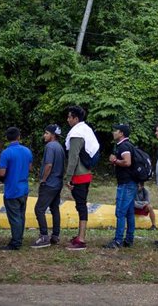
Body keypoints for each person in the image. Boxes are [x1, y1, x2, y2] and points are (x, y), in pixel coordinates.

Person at [64, 106, 99, 251]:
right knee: (81, 205)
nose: (67, 119)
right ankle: (80, 235)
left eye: (69, 117)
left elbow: (73, 158)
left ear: (75, 119)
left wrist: (68, 177)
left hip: (79, 175)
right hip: (86, 173)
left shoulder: (76, 134)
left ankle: (81, 239)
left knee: (81, 206)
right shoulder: (86, 130)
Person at [0, 127, 33, 251]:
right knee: (21, 215)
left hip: (12, 189)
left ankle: (16, 241)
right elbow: (30, 168)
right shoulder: (27, 151)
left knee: (14, 217)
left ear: (7, 138)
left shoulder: (6, 153)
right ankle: (20, 237)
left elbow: (2, 173)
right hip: (24, 188)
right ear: (19, 137)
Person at [32, 124, 65, 249]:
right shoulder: (60, 147)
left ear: (52, 135)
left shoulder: (50, 146)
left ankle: (44, 236)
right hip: (58, 183)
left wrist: (43, 180)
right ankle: (55, 235)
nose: (44, 135)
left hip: (49, 183)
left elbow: (49, 165)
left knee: (39, 209)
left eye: (46, 133)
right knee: (54, 208)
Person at [104, 124, 137, 249]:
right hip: (130, 182)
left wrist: (115, 161)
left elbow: (127, 162)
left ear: (121, 133)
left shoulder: (124, 146)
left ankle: (117, 240)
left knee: (120, 212)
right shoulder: (128, 145)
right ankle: (129, 239)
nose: (113, 132)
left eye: (115, 130)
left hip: (126, 183)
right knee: (129, 212)